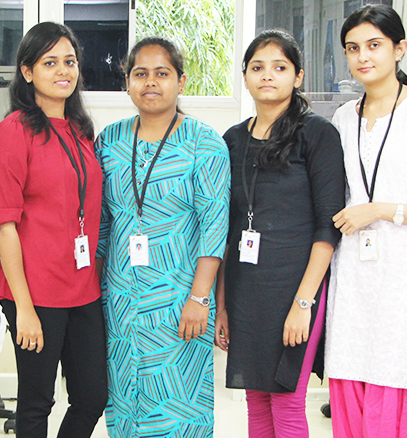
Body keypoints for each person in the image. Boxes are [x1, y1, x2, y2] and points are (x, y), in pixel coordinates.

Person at [95, 36, 230, 437]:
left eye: (162, 73)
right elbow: (102, 225)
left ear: (181, 81)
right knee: (124, 402)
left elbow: (213, 227)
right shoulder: (109, 141)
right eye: (140, 74)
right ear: (127, 83)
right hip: (119, 301)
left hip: (179, 301)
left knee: (177, 407)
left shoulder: (204, 143)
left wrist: (200, 298)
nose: (150, 82)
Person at [215, 29, 345, 438]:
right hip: (245, 290)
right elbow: (227, 229)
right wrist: (222, 304)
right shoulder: (232, 140)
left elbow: (328, 227)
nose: (267, 75)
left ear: (298, 76)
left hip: (295, 289)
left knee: (287, 401)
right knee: (256, 401)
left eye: (280, 67)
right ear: (245, 77)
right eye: (257, 67)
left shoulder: (317, 134)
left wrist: (303, 303)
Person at [0, 22, 108, 438]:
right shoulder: (15, 130)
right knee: (36, 403)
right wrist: (23, 308)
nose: (63, 70)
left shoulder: (81, 130)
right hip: (35, 292)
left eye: (70, 61)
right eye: (50, 63)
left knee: (93, 397)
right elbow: (5, 225)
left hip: (83, 287)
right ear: (27, 72)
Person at [325, 5, 407, 437]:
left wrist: (379, 209)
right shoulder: (343, 117)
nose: (363, 56)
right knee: (352, 362)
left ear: (400, 49)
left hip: (400, 268)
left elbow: (371, 204)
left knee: (394, 365)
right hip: (354, 269)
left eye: (374, 45)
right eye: (352, 48)